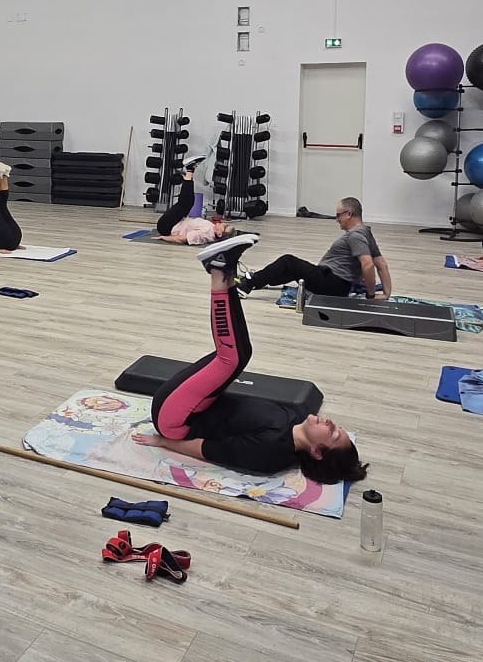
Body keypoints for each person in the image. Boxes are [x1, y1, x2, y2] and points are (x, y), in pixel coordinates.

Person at [131, 235, 369, 484]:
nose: (331, 423)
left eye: (333, 434)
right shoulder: (297, 420)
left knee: (231, 358)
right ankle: (226, 271)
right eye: (337, 428)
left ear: (317, 452)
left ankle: (218, 271)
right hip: (197, 405)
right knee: (242, 353)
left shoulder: (271, 453)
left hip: (176, 419)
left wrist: (162, 441)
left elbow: (208, 450)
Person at [235, 196, 390, 299]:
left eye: (338, 215)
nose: (337, 220)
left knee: (288, 261)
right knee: (290, 270)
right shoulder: (365, 232)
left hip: (332, 284)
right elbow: (382, 265)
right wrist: (386, 294)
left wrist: (370, 295)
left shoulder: (356, 235)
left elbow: (368, 265)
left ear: (349, 214)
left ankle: (247, 285)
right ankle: (257, 280)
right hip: (333, 281)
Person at [151, 155, 236, 245]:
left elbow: (182, 239)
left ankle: (190, 169)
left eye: (224, 226)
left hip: (166, 226)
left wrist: (163, 237)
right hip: (179, 221)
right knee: (189, 202)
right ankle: (190, 170)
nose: (222, 223)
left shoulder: (204, 235)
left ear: (219, 234)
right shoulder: (211, 228)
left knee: (185, 204)